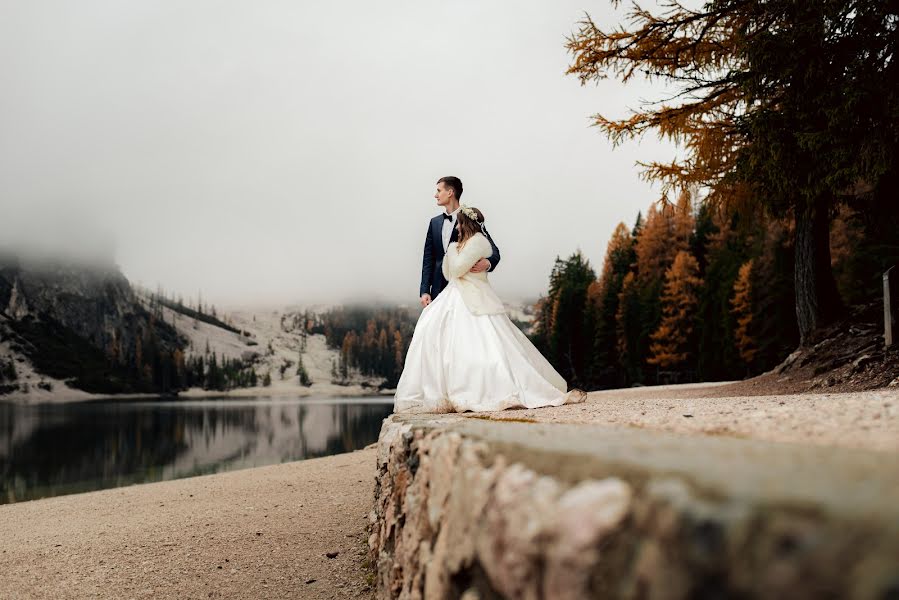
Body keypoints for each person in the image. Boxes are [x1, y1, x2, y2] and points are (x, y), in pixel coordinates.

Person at [395, 202, 586, 413]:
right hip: (453, 292)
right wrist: (430, 282)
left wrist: (482, 260)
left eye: (459, 225)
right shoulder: (444, 231)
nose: (456, 229)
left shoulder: (478, 241)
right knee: (436, 333)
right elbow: (444, 269)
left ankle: (484, 387)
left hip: (474, 295)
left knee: (486, 341)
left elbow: (465, 264)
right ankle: (444, 389)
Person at [419, 176, 500, 308]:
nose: (436, 195)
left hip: (463, 291)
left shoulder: (470, 218)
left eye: (439, 191)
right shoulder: (434, 223)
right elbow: (428, 259)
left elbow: (494, 251)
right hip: (438, 289)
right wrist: (424, 290)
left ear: (450, 192)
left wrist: (488, 262)